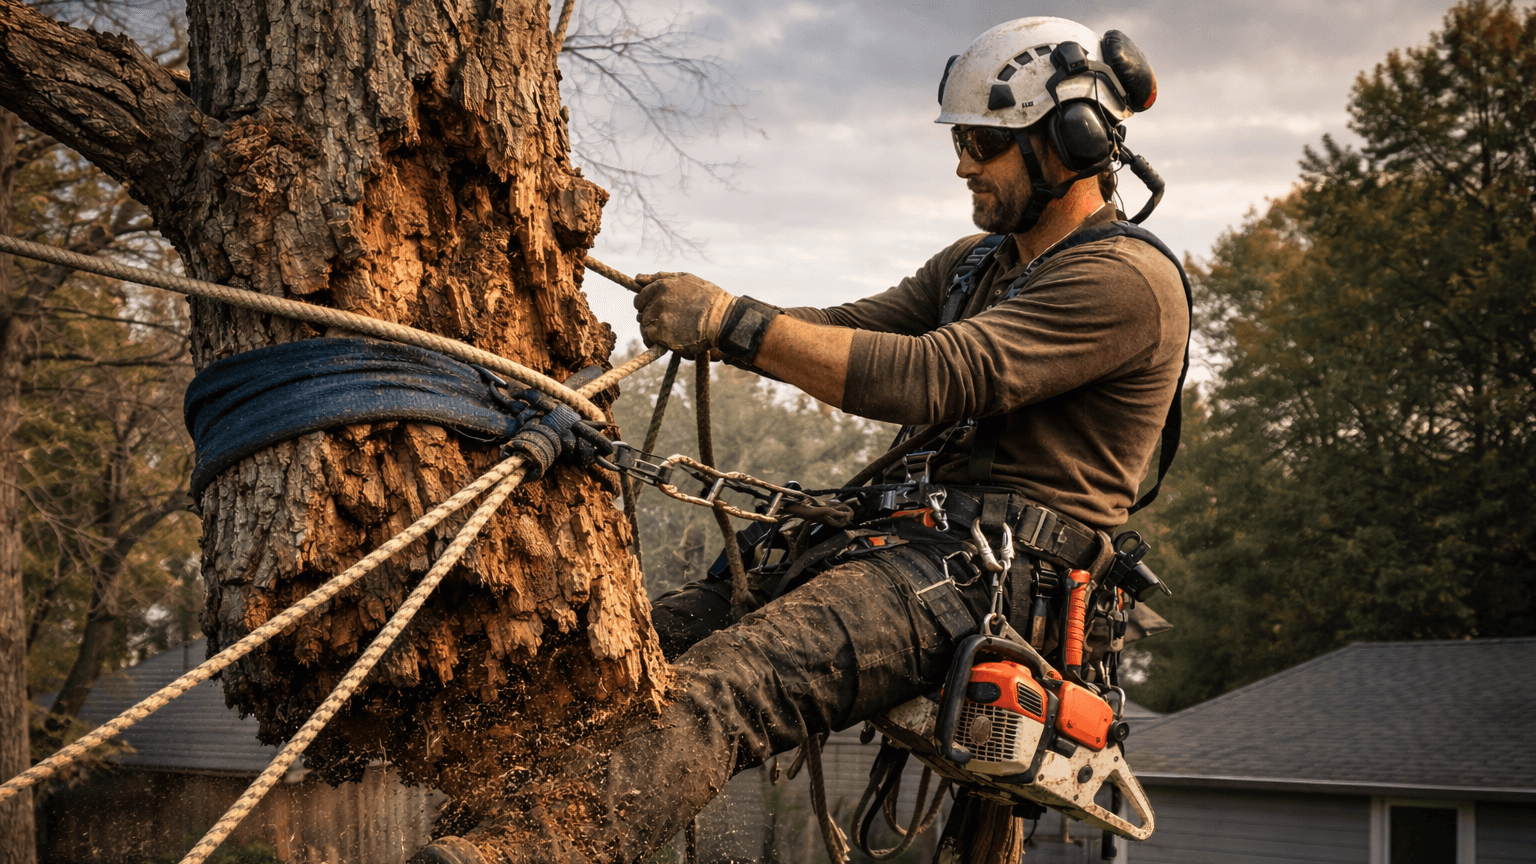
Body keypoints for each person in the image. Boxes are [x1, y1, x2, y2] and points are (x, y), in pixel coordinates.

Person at [414, 16, 1187, 864]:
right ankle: (484, 827)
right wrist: (725, 324)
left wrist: (736, 326)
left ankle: (527, 853)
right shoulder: (977, 263)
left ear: (1069, 142)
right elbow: (851, 330)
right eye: (962, 138)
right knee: (641, 646)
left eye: (982, 141)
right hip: (901, 543)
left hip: (993, 577)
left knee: (733, 684)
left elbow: (934, 374)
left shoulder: (1125, 281)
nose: (962, 161)